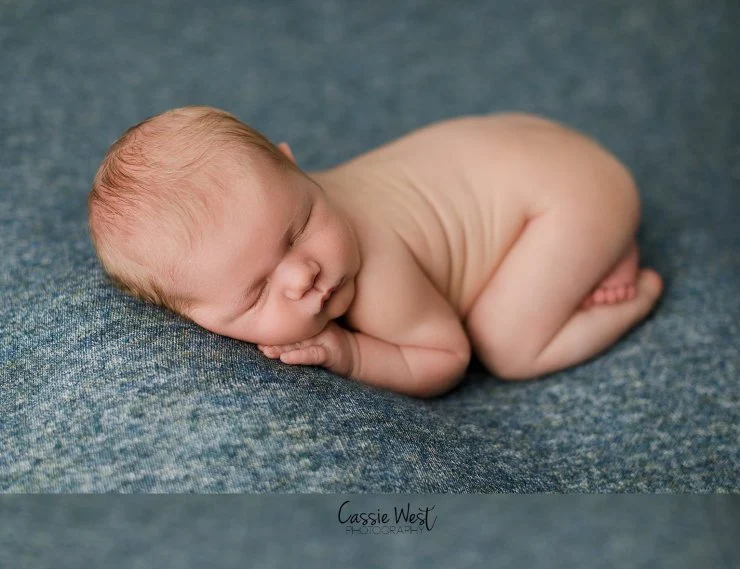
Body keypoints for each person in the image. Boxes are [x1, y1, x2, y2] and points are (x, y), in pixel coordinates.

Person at [88, 106, 664, 397]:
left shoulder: (376, 271)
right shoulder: (281, 210)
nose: (303, 275)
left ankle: (629, 291)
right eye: (258, 292)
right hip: (529, 145)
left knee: (507, 346)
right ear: (194, 317)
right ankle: (593, 248)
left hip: (569, 201)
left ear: (292, 165)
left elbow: (446, 357)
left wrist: (351, 354)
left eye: (298, 230)